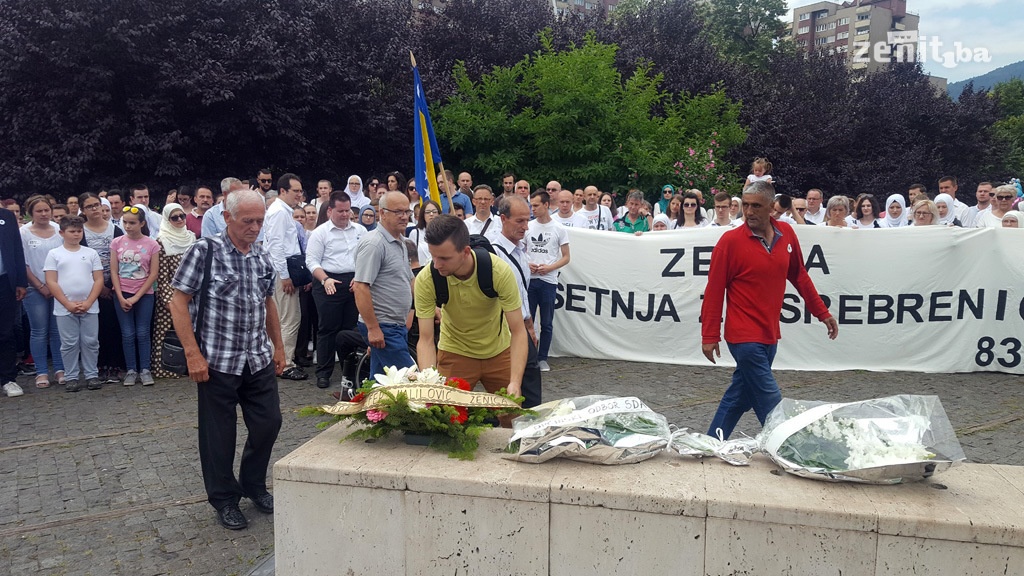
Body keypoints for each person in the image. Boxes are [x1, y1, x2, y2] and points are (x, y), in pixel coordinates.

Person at [169, 188, 285, 531]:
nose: (254, 227)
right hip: (217, 360)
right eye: (247, 220)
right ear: (227, 217)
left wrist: (278, 348)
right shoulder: (205, 251)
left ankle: (253, 484)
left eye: (260, 221)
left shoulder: (262, 255)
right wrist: (193, 354)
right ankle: (224, 499)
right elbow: (178, 301)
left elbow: (269, 304)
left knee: (269, 423)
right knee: (218, 436)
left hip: (257, 357)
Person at [701, 181, 838, 439]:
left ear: (771, 208)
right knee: (769, 399)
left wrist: (822, 312)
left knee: (739, 397)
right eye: (745, 206)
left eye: (756, 206)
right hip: (743, 337)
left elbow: (799, 276)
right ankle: (792, 448)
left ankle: (711, 442)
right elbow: (714, 291)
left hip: (769, 334)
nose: (749, 212)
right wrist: (709, 335)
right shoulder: (729, 242)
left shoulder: (787, 234)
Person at [415, 215, 527, 401]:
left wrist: (515, 381)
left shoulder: (499, 272)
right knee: (445, 417)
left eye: (444, 258)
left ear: (466, 251)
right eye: (433, 256)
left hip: (499, 351)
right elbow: (425, 339)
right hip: (455, 351)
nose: (436, 264)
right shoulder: (427, 278)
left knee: (511, 414)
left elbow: (518, 331)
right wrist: (429, 382)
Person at [353, 192, 417, 378]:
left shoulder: (401, 242)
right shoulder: (374, 244)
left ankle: (367, 406)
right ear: (382, 213)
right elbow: (360, 287)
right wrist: (373, 329)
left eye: (407, 211)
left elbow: (408, 281)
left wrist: (432, 307)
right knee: (410, 380)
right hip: (384, 326)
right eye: (398, 211)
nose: (404, 216)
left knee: (380, 385)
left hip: (394, 326)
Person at [306, 191, 364, 389]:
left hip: (353, 281)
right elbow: (311, 261)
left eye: (348, 211)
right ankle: (323, 372)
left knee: (350, 329)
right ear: (330, 210)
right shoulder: (320, 233)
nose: (345, 215)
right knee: (328, 329)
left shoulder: (359, 230)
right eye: (341, 211)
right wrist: (325, 279)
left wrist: (359, 277)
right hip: (328, 280)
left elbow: (365, 257)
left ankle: (349, 371)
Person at [44, 216, 105, 392]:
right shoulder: (54, 254)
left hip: (90, 306)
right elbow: (52, 281)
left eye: (79, 231)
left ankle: (92, 375)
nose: (76, 234)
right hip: (65, 308)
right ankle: (71, 376)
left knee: (91, 341)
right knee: (69, 343)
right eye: (72, 231)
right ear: (62, 233)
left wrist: (88, 301)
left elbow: (98, 279)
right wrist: (67, 303)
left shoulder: (90, 253)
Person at [493, 196, 542, 407]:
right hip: (503, 328)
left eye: (527, 220)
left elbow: (522, 291)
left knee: (531, 378)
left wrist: (529, 324)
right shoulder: (493, 252)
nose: (526, 226)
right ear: (504, 218)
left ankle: (533, 423)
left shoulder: (521, 250)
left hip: (522, 325)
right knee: (507, 382)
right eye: (520, 221)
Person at [264, 173, 308, 381]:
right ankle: (285, 363)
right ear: (283, 191)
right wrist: (285, 276)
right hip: (282, 272)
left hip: (283, 270)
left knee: (282, 318)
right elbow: (275, 246)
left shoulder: (282, 211)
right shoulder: (279, 212)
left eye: (300, 191)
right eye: (295, 191)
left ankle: (279, 360)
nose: (299, 195)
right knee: (289, 319)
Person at [110, 206, 161, 386]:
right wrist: (120, 295)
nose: (128, 226)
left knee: (142, 332)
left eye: (132, 223)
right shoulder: (116, 243)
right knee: (127, 333)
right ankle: (131, 369)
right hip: (122, 293)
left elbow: (153, 274)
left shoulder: (152, 244)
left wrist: (137, 297)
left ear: (142, 223)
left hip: (144, 294)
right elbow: (114, 271)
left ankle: (145, 369)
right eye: (125, 222)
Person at [20, 196, 67, 388]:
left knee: (57, 331)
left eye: (46, 210)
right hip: (34, 288)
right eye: (39, 211)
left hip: (58, 287)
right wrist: (40, 285)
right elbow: (23, 262)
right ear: (31, 213)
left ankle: (59, 369)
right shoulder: (23, 232)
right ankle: (41, 372)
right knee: (39, 331)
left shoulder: (58, 230)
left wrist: (53, 286)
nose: (44, 214)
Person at [79, 192, 126, 384]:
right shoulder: (80, 231)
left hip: (114, 286)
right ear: (83, 210)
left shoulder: (115, 231)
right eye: (89, 206)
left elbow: (124, 259)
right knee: (95, 330)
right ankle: (98, 366)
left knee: (113, 326)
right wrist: (99, 287)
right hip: (90, 287)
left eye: (96, 205)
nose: (94, 209)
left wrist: (112, 286)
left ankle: (115, 365)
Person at [526, 191, 571, 373]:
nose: (533, 209)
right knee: (527, 320)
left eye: (536, 205)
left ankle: (542, 357)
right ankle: (529, 357)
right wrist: (527, 264)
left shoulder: (558, 229)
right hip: (530, 280)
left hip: (548, 280)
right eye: (532, 205)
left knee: (547, 321)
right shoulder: (528, 226)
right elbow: (520, 251)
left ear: (546, 205)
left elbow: (566, 257)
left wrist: (550, 268)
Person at [152, 203, 197, 379]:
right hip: (172, 296)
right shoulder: (161, 241)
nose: (179, 220)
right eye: (174, 217)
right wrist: (168, 301)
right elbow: (162, 276)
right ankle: (166, 367)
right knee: (166, 332)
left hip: (192, 295)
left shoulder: (192, 238)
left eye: (181, 216)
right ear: (166, 219)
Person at [1, 203, 28, 397]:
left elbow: (17, 249)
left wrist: (21, 282)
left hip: (5, 282)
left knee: (5, 332)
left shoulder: (7, 217)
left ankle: (8, 379)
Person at [408, 199, 441, 266]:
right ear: (423, 215)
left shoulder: (445, 232)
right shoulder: (415, 233)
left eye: (434, 212)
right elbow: (411, 257)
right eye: (428, 212)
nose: (431, 214)